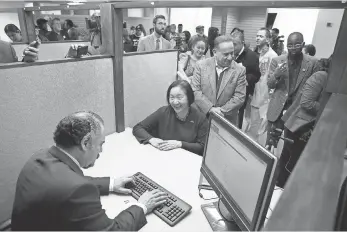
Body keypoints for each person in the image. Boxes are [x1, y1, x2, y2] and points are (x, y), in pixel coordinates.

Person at [12, 111, 168, 230]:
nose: (100, 151)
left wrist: (111, 184)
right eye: (100, 144)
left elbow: (68, 182)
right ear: (86, 143)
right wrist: (142, 206)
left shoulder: (39, 157)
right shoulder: (76, 189)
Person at [266, 32, 320, 188]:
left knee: (290, 149)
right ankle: (268, 178)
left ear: (303, 45)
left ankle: (282, 181)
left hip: (297, 113)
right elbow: (269, 84)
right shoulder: (277, 60)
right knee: (271, 145)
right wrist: (276, 74)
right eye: (290, 45)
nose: (293, 48)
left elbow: (314, 88)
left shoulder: (312, 63)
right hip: (277, 110)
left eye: (297, 45)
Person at [133, 80, 208, 155]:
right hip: (164, 156)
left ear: (189, 97)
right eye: (172, 97)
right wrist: (151, 139)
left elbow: (202, 147)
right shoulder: (163, 112)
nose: (175, 102)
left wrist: (180, 144)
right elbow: (138, 128)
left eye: (179, 97)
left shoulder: (200, 118)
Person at [191, 35, 247, 125]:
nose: (230, 57)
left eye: (232, 53)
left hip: (226, 120)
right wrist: (210, 108)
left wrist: (220, 111)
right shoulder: (201, 66)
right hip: (201, 118)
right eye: (226, 54)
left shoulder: (240, 70)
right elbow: (195, 90)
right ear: (214, 52)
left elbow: (239, 97)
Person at [246, 28, 277, 146]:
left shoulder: (272, 56)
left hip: (263, 98)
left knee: (257, 127)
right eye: (257, 36)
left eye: (261, 36)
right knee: (251, 123)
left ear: (268, 39)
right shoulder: (256, 54)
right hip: (253, 93)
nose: (257, 38)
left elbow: (272, 79)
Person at [230, 30, 261, 131]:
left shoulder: (252, 56)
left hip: (242, 92)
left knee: (238, 118)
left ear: (242, 43)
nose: (232, 47)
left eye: (235, 44)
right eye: (231, 44)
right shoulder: (229, 53)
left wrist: (242, 77)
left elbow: (256, 75)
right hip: (227, 91)